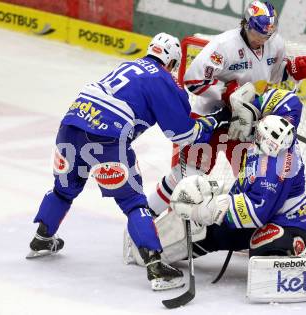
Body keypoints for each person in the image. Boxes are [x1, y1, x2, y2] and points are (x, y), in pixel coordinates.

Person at [26, 32, 230, 291]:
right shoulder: (160, 77)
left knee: (64, 189)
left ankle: (42, 237)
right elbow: (182, 134)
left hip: (71, 125)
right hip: (107, 137)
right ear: (171, 62)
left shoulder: (127, 65)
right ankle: (156, 267)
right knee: (134, 203)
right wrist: (213, 121)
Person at [148, 0, 306, 215]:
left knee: (253, 175)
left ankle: (238, 226)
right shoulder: (223, 46)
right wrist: (228, 93)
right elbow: (194, 81)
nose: (261, 40)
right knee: (187, 176)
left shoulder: (275, 44)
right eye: (257, 34)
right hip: (211, 118)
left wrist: (294, 68)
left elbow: (276, 72)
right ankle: (150, 215)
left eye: (266, 35)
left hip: (247, 122)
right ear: (246, 25)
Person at [125, 86, 306, 266]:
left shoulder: (274, 170)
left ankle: (288, 250)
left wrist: (207, 208)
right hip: (253, 214)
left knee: (267, 252)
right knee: (203, 231)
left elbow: (256, 213)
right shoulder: (283, 127)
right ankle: (150, 245)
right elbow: (288, 99)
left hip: (282, 222)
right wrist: (253, 107)